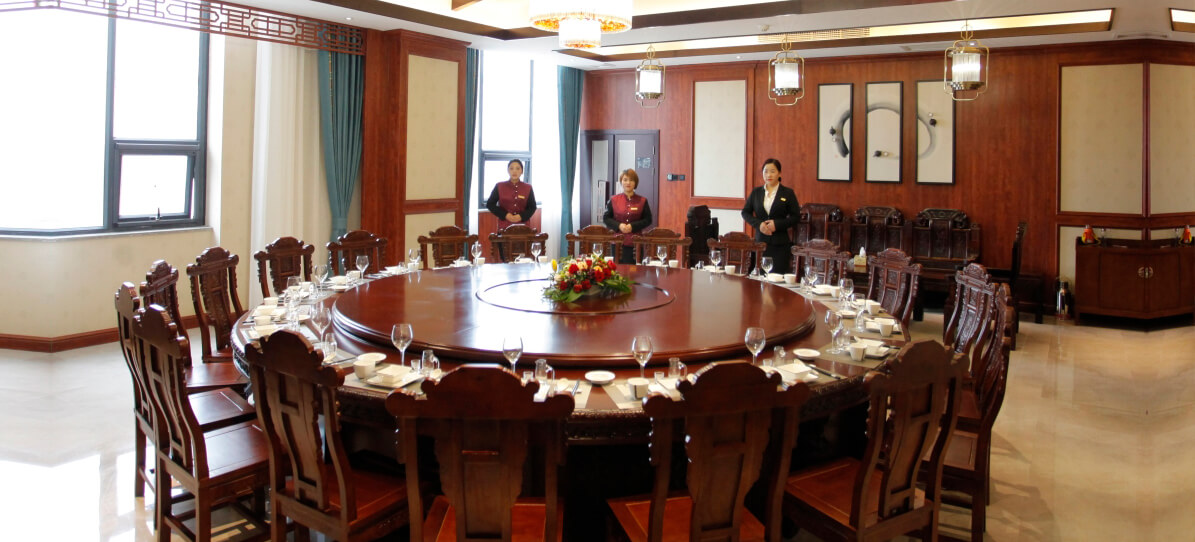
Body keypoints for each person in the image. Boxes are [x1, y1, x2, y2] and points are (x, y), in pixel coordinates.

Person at [741, 158, 800, 273]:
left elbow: (796, 217)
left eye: (773, 171)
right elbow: (745, 212)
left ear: (779, 173)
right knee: (760, 278)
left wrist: (776, 224)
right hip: (760, 244)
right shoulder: (756, 192)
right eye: (766, 171)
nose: (769, 175)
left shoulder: (788, 193)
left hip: (780, 244)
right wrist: (759, 224)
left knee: (778, 279)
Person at [603, 169, 653, 264]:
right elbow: (606, 218)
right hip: (617, 242)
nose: (628, 183)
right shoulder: (614, 199)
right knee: (617, 269)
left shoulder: (642, 200)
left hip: (636, 243)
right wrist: (619, 225)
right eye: (625, 180)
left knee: (634, 270)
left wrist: (632, 226)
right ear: (621, 182)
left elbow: (648, 219)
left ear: (635, 183)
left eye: (631, 180)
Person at [486, 159, 537, 230]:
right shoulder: (499, 186)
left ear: (522, 171)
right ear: (508, 170)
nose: (514, 171)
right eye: (511, 168)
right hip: (504, 227)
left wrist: (521, 216)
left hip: (523, 226)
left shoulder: (528, 187)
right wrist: (505, 215)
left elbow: (532, 207)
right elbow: (490, 204)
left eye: (518, 168)